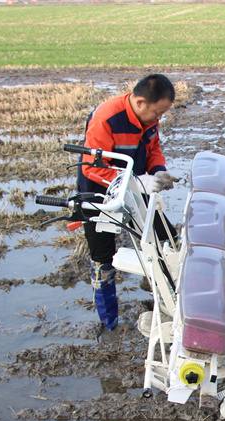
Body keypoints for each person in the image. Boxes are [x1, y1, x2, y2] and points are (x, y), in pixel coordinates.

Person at [76, 73, 178, 333]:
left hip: (138, 189)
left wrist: (157, 172)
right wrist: (136, 182)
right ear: (141, 102)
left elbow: (153, 148)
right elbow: (91, 168)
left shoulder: (149, 120)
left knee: (167, 239)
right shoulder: (106, 118)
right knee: (103, 260)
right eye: (157, 112)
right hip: (100, 196)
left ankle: (169, 300)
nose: (159, 119)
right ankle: (109, 323)